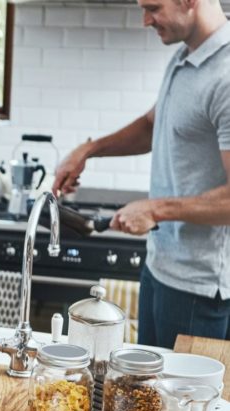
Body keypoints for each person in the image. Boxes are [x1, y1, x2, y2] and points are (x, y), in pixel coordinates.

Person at [52, 0, 230, 348]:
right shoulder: (185, 57)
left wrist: (154, 209)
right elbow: (154, 124)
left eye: (153, 8)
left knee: (178, 401)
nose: (145, 20)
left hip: (199, 287)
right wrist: (89, 150)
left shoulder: (226, 75)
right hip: (162, 268)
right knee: (147, 394)